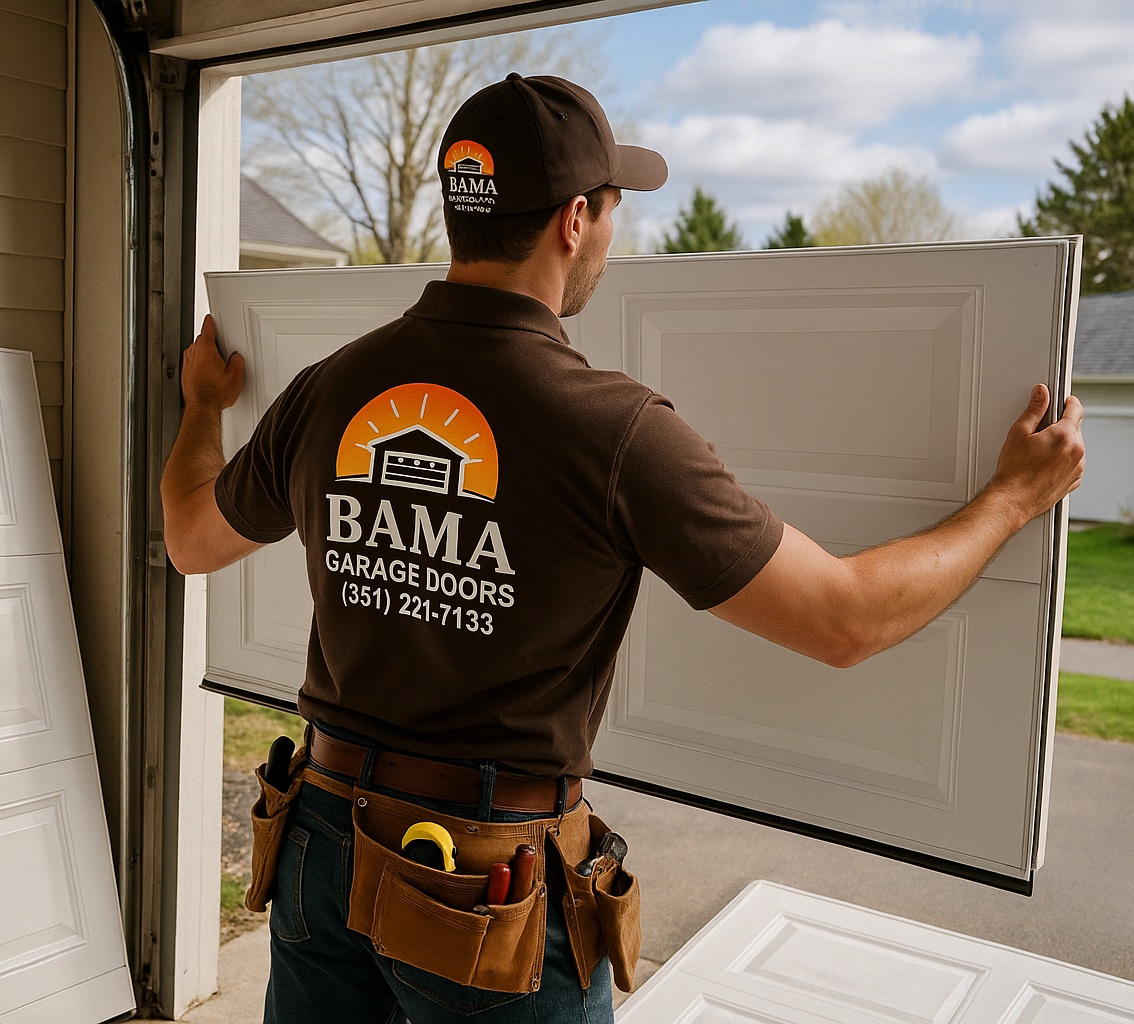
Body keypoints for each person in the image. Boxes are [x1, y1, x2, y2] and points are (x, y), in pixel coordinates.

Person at [160, 74, 1084, 1023]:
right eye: (611, 209)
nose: (612, 232)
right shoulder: (614, 430)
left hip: (321, 833)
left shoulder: (328, 390)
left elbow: (190, 538)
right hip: (487, 883)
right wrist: (1012, 498)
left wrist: (200, 410)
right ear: (573, 219)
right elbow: (846, 620)